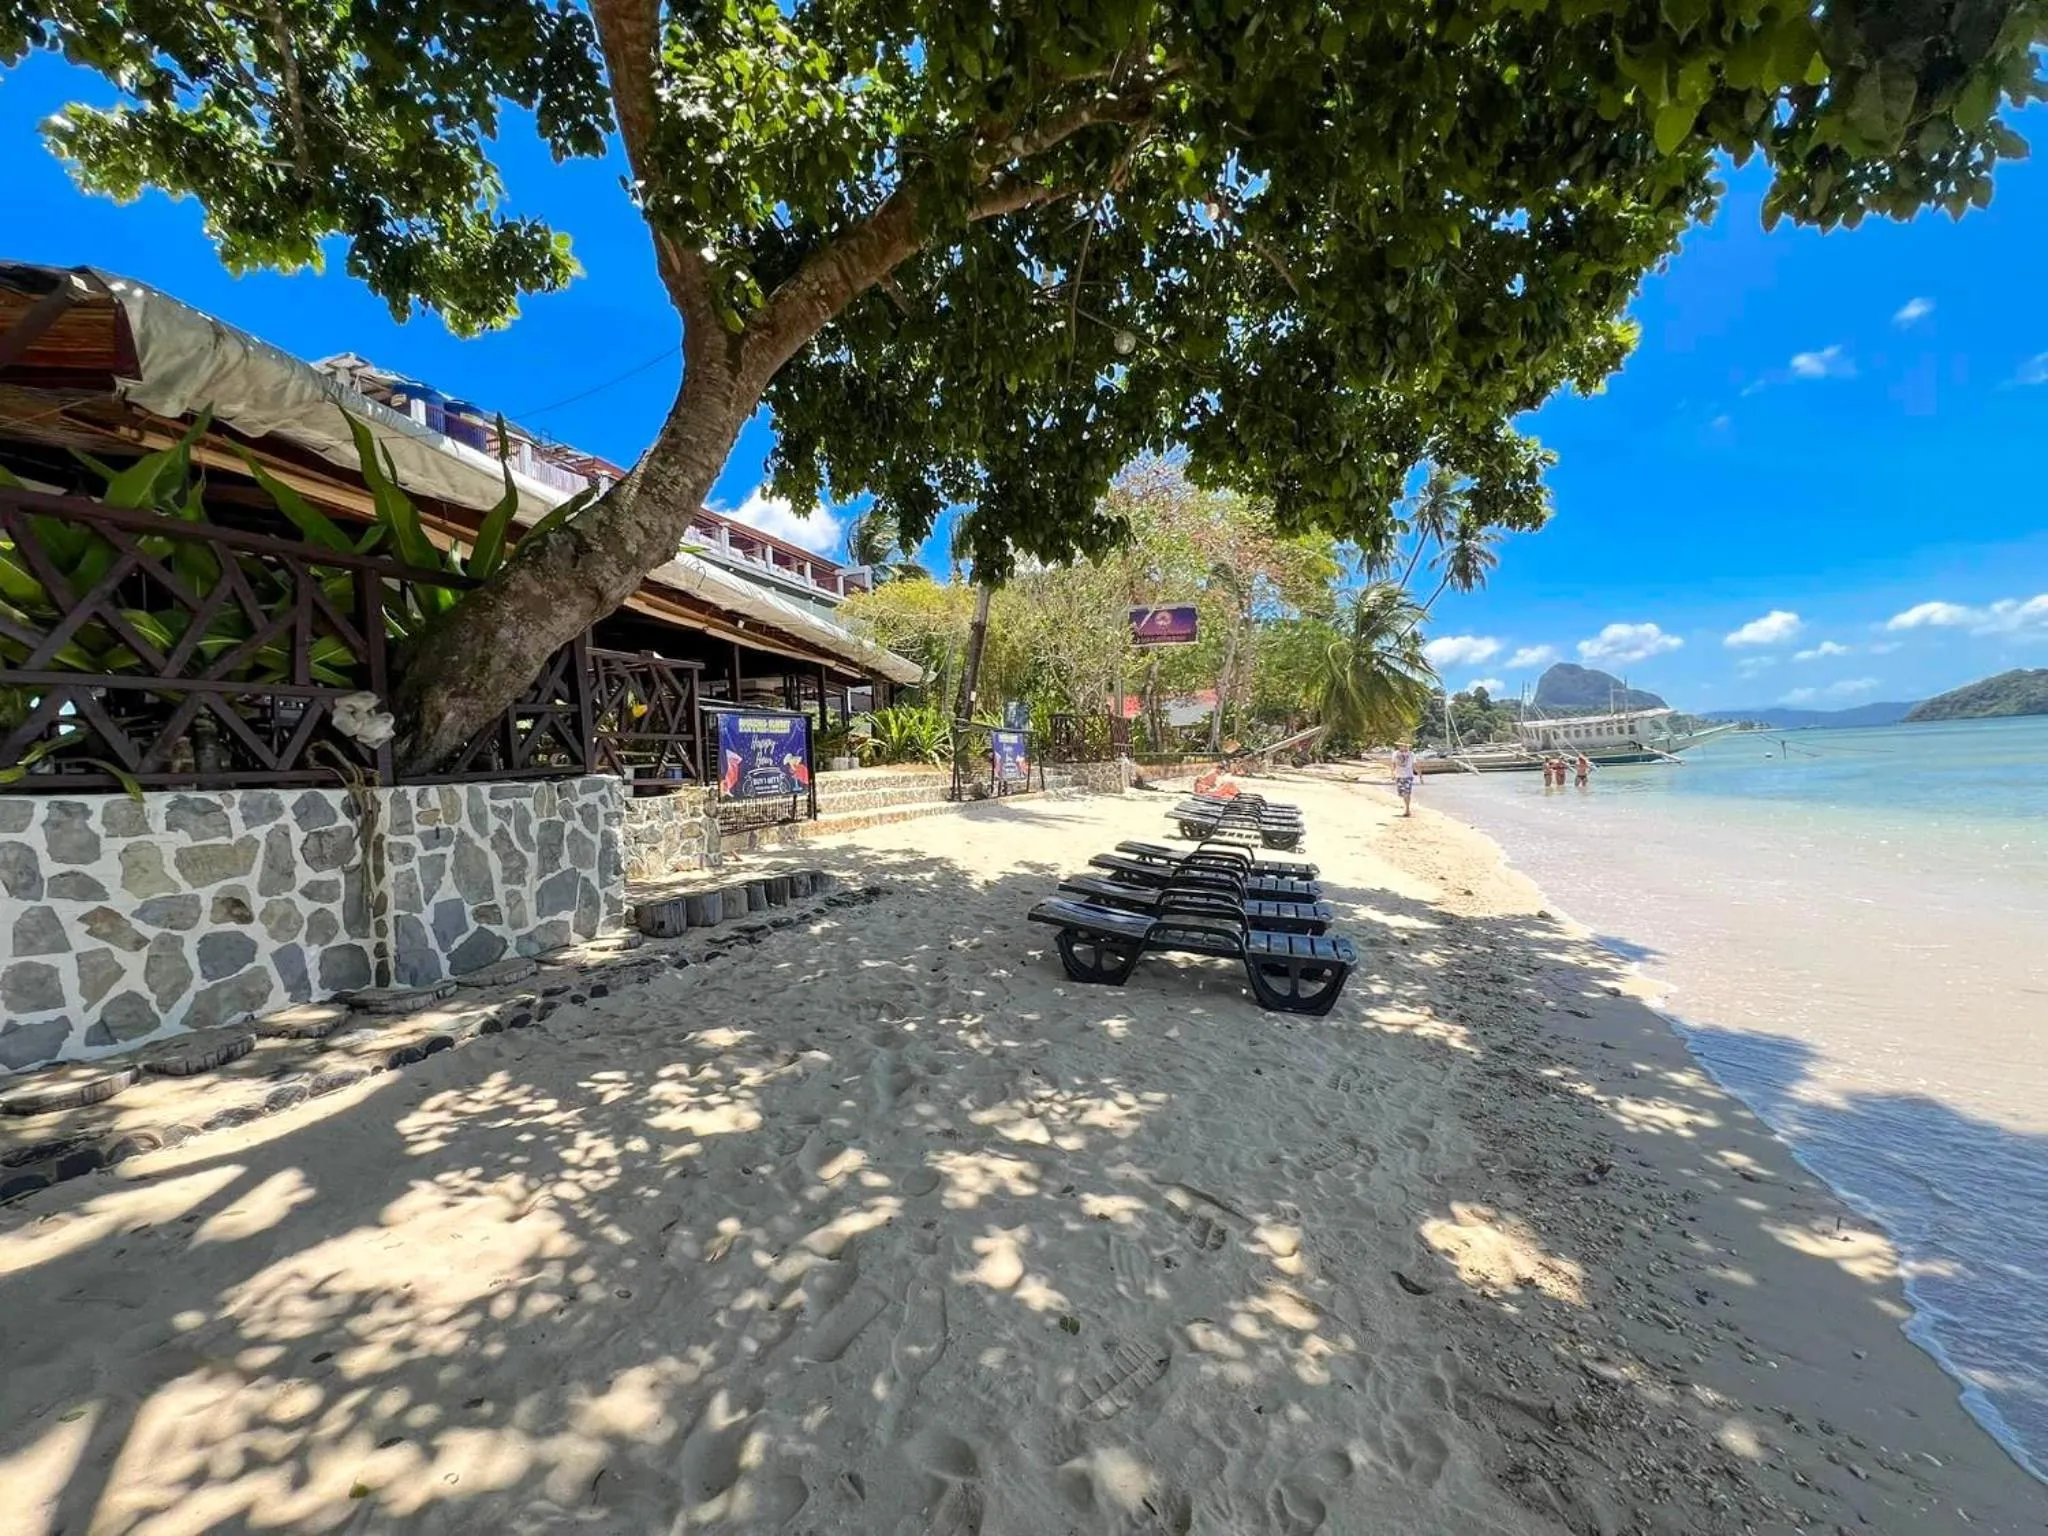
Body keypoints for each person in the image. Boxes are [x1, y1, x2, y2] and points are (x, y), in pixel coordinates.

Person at [1391, 741, 1419, 816]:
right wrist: (1392, 773)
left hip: (1408, 776)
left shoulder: (1411, 754)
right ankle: (1406, 807)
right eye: (1401, 745)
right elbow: (1393, 764)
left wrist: (1420, 774)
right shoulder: (1395, 753)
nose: (1402, 747)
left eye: (1404, 746)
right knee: (1402, 793)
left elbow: (1414, 765)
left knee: (1407, 792)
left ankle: (1407, 809)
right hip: (1399, 775)